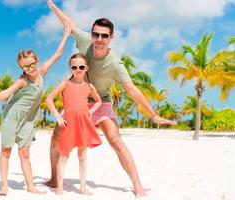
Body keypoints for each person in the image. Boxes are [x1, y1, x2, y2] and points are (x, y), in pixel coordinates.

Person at [45, 0, 176, 197]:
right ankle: (55, 178)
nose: (99, 38)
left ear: (111, 38)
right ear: (91, 34)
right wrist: (52, 5)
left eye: (104, 36)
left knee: (116, 140)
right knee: (56, 137)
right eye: (96, 34)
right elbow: (69, 24)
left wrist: (152, 114)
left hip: (102, 102)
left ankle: (137, 186)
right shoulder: (84, 42)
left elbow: (132, 90)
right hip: (77, 101)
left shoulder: (115, 63)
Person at [0, 23, 71, 196]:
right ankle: (4, 186)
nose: (30, 69)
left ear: (37, 61)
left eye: (32, 64)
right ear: (21, 68)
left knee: (24, 152)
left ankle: (30, 186)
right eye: (25, 67)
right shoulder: (23, 80)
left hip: (29, 118)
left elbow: (58, 54)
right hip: (12, 115)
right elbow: (5, 94)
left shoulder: (42, 72)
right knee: (6, 150)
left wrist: (66, 34)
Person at [46, 53, 102, 195]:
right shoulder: (65, 84)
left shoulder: (89, 86)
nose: (78, 69)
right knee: (64, 155)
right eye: (74, 67)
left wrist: (90, 112)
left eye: (81, 67)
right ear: (70, 68)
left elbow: (99, 101)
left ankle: (82, 187)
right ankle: (59, 188)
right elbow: (49, 99)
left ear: (86, 68)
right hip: (68, 123)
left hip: (84, 123)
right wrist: (58, 116)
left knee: (82, 156)